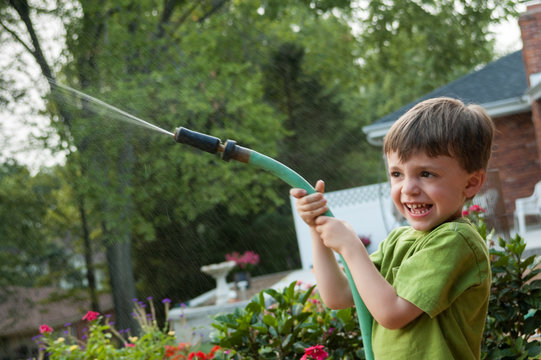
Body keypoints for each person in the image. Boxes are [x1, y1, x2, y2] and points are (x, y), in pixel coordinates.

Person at [290, 97, 494, 359]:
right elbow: (338, 295)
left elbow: (392, 313)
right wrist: (317, 229)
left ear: (471, 183)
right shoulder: (399, 240)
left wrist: (351, 246)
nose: (408, 188)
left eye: (426, 174)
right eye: (397, 174)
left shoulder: (455, 241)